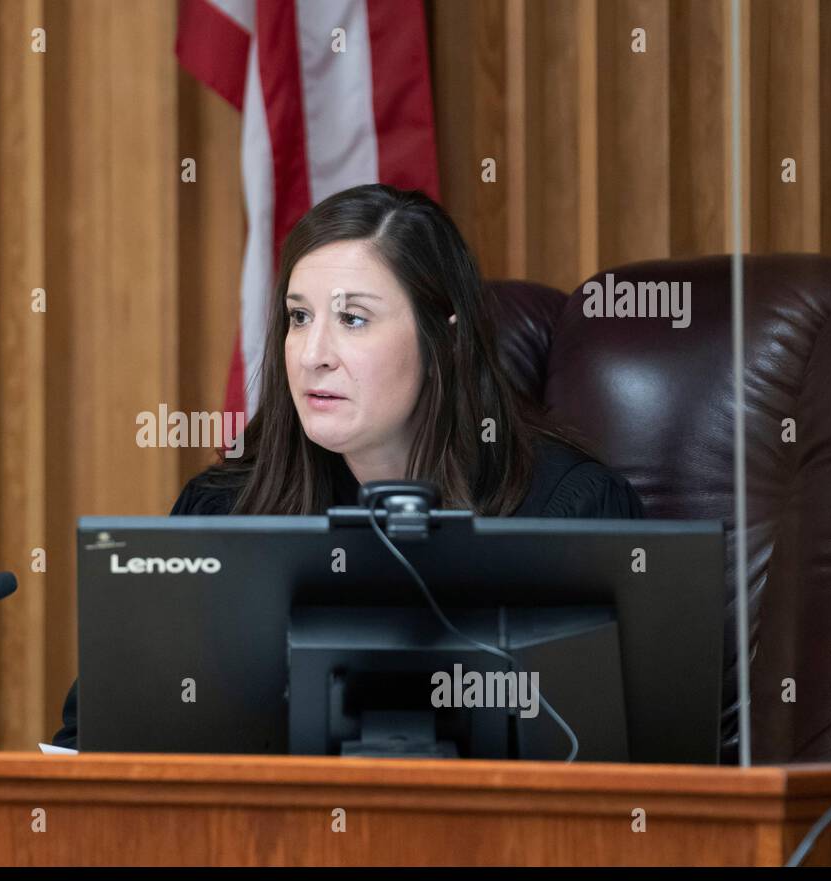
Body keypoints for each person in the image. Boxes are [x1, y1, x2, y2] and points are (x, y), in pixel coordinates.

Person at [51, 184, 643, 751]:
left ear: (445, 340)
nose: (312, 355)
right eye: (300, 318)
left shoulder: (572, 514)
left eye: (353, 319)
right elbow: (95, 736)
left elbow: (646, 766)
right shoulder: (223, 509)